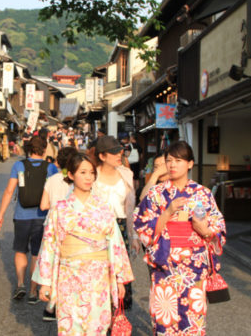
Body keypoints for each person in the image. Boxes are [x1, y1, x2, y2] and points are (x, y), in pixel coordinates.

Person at [34, 152, 134, 335]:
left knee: (98, 325)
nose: (89, 177)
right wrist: (46, 282)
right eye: (83, 172)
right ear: (71, 175)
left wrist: (119, 279)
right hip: (69, 275)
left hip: (98, 277)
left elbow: (116, 244)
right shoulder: (60, 208)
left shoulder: (103, 207)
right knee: (70, 326)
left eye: (91, 173)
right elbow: (49, 245)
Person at [133, 141, 226, 335]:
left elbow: (218, 227)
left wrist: (204, 230)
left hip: (194, 265)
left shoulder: (203, 194)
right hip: (164, 264)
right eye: (169, 161)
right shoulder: (156, 194)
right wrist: (168, 212)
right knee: (164, 320)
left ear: (190, 164)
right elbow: (143, 226)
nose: (172, 165)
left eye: (178, 160)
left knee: (193, 318)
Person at [0, 136, 58, 303]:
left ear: (29, 149)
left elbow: (9, 191)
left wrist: (1, 214)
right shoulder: (51, 168)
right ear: (44, 150)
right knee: (37, 254)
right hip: (42, 216)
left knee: (20, 250)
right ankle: (32, 291)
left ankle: (20, 284)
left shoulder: (19, 165)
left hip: (21, 216)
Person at [92, 135, 140, 310]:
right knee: (100, 272)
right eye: (113, 152)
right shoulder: (92, 176)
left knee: (120, 272)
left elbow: (131, 208)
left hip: (121, 226)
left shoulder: (126, 174)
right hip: (97, 229)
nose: (119, 154)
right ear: (102, 156)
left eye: (119, 151)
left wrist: (134, 236)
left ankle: (117, 316)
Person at [38, 145, 78, 321]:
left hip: (52, 225)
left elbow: (43, 205)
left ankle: (51, 306)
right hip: (72, 226)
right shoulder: (78, 180)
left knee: (53, 263)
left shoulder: (52, 179)